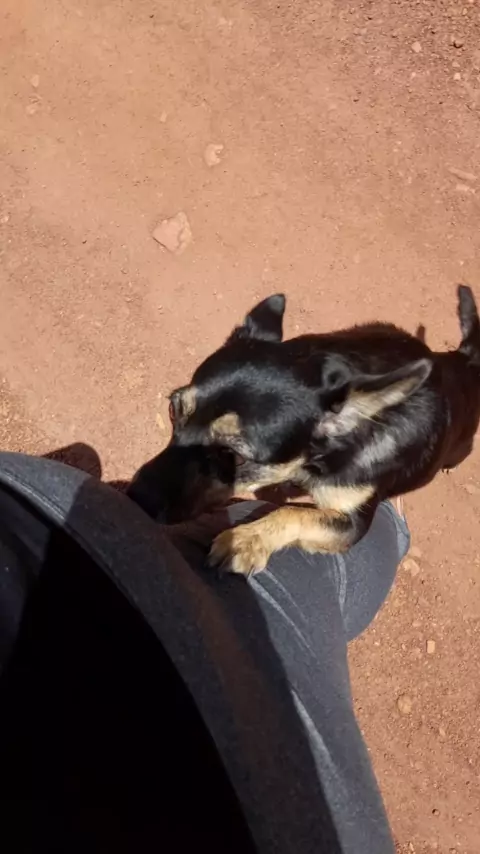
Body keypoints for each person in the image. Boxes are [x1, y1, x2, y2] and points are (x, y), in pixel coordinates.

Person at [0, 448, 409, 853]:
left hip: (60, 548)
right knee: (321, 553)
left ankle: (384, 521)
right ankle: (388, 520)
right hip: (52, 536)